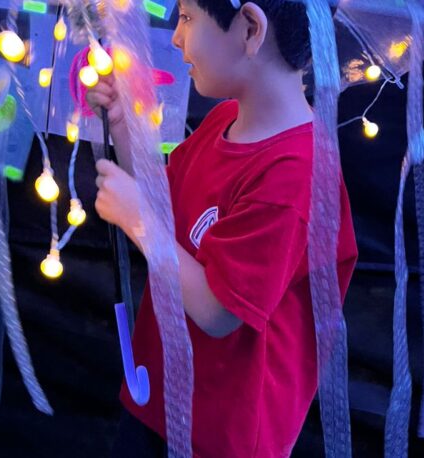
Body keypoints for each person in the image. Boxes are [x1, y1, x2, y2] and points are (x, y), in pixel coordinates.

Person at [87, 1, 358, 456]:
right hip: (161, 396)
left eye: (187, 17)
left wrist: (138, 220)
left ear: (250, 29)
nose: (176, 36)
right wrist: (123, 125)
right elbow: (165, 204)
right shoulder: (223, 121)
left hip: (221, 435)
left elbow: (218, 311)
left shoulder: (297, 174)